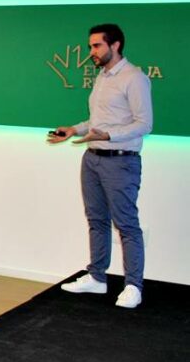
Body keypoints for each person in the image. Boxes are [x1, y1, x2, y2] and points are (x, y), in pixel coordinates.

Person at [50, 23, 152, 309]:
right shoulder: (102, 77)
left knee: (127, 225)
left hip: (121, 161)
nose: (91, 52)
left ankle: (133, 286)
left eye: (96, 46)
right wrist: (74, 130)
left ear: (115, 45)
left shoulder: (134, 78)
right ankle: (97, 277)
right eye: (90, 46)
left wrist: (108, 135)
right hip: (92, 159)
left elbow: (144, 124)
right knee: (96, 220)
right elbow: (97, 121)